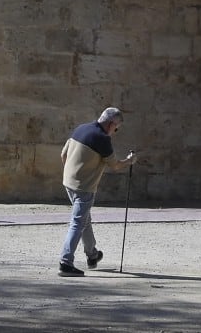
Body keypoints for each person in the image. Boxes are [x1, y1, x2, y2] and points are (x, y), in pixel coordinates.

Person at [57, 106, 135, 276]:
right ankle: (65, 262)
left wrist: (73, 174)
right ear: (110, 124)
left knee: (84, 219)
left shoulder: (80, 128)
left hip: (68, 183)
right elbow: (114, 165)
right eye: (116, 128)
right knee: (78, 223)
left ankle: (92, 255)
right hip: (84, 188)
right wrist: (129, 161)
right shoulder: (102, 139)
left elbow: (64, 154)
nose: (115, 131)